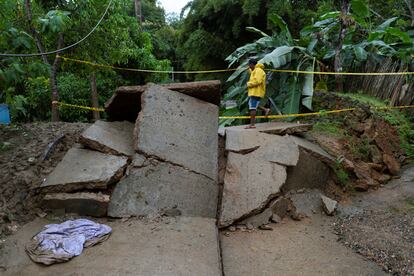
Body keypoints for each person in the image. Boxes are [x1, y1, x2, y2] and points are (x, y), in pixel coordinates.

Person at [245, 59, 270, 129]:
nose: (248, 66)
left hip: (256, 92)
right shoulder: (255, 70)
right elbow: (252, 72)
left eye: (249, 65)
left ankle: (252, 124)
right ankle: (265, 110)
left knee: (252, 108)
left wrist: (248, 84)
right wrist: (249, 69)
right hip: (255, 91)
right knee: (254, 105)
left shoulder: (258, 71)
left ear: (252, 64)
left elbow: (257, 81)